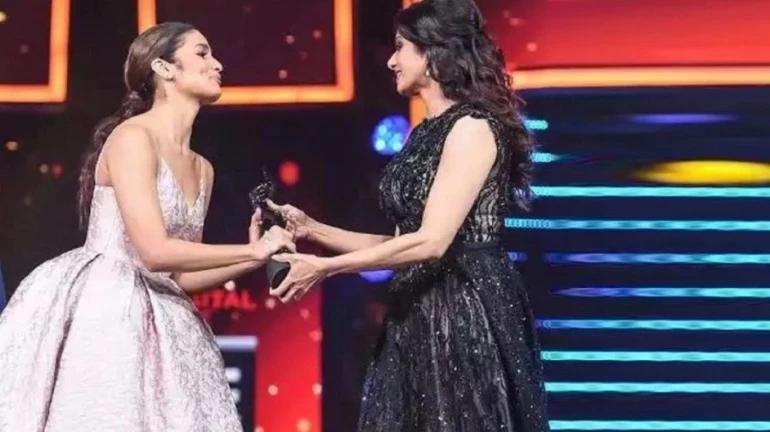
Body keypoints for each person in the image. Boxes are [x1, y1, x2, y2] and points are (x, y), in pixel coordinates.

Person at [265, 0, 550, 430]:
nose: (390, 60)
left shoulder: (472, 127)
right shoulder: (424, 133)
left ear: (433, 52)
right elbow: (401, 243)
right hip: (417, 310)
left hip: (463, 313)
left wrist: (324, 268)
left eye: (401, 47)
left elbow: (431, 242)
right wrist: (312, 229)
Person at [0, 22, 294, 432]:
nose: (217, 64)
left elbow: (179, 276)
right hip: (107, 311)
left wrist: (253, 258)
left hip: (166, 317)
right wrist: (251, 251)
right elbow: (154, 251)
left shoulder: (203, 168)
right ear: (163, 67)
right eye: (202, 53)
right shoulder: (133, 138)